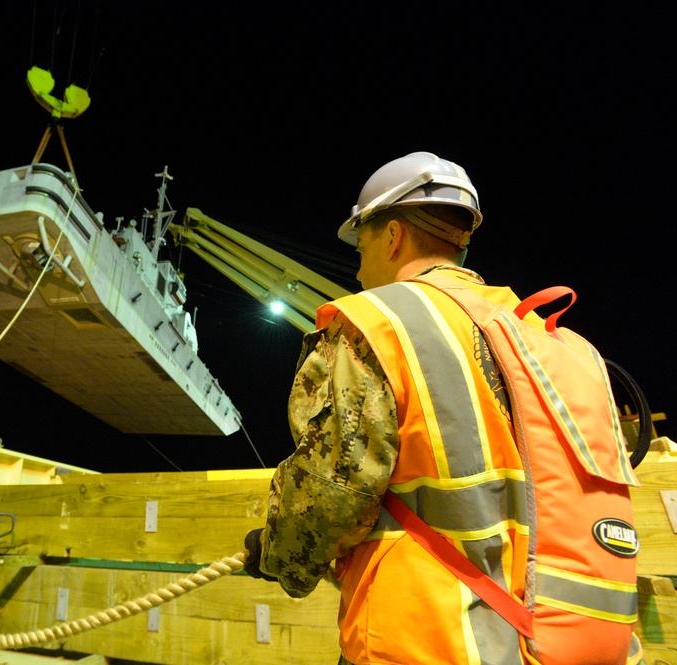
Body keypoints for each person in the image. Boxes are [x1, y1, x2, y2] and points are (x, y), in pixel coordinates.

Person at [242, 152, 644, 665]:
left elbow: (332, 494)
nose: (360, 269)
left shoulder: (379, 326)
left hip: (430, 641)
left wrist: (278, 553)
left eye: (361, 245)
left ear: (392, 236)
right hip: (569, 645)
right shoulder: (555, 344)